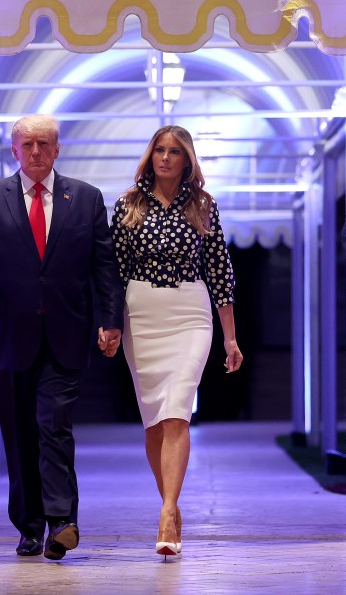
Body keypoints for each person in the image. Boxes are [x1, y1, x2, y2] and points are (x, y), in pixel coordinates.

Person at [0, 114, 123, 560]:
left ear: (57, 150)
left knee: (55, 427)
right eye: (27, 144)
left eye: (44, 144)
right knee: (19, 434)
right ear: (14, 150)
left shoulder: (86, 199)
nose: (35, 152)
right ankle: (30, 528)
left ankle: (62, 521)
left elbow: (103, 266)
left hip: (66, 334)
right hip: (8, 336)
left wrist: (111, 321)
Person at [110, 125, 244, 558]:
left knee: (177, 414)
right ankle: (171, 500)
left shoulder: (204, 206)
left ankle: (167, 512)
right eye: (159, 151)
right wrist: (109, 325)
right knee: (154, 418)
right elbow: (113, 274)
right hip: (141, 314)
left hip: (191, 311)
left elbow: (220, 273)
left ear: (187, 159)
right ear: (151, 156)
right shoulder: (127, 206)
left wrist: (230, 338)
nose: (165, 158)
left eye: (174, 152)